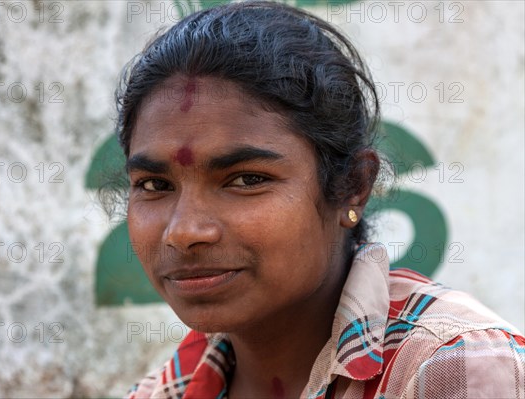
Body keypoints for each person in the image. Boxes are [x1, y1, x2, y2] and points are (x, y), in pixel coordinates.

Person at [115, 2, 525, 398]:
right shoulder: (165, 391)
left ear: (352, 186)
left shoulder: (451, 367)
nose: (185, 232)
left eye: (247, 179)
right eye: (154, 185)